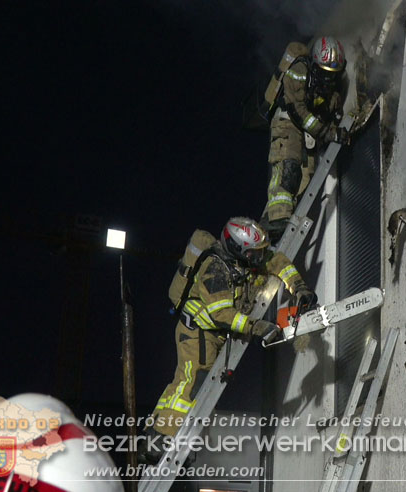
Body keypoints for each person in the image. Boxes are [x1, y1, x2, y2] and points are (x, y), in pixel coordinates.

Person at [139, 217, 316, 464]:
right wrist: (255, 327)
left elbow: (277, 262)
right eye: (255, 254)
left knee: (192, 387)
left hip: (214, 334)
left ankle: (172, 437)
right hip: (197, 332)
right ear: (238, 250)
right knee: (189, 384)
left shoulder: (244, 260)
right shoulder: (216, 269)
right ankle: (160, 439)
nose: (260, 258)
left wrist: (298, 287)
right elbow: (221, 313)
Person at [262, 36, 349, 241]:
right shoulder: (299, 71)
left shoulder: (332, 88)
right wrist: (326, 132)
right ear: (315, 64)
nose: (328, 79)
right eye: (325, 73)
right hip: (287, 121)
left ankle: (280, 220)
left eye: (333, 74)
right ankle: (277, 219)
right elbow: (297, 110)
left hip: (309, 132)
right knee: (288, 165)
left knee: (306, 178)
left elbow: (328, 113)